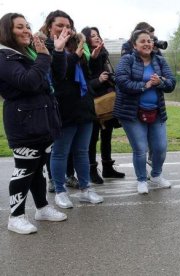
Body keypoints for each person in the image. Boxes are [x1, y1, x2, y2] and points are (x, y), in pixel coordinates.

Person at [0, 13, 70, 234]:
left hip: (44, 119)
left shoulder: (28, 53)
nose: (27, 30)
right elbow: (28, 82)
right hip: (23, 121)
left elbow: (57, 77)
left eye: (27, 26)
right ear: (6, 31)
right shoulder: (4, 56)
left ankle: (42, 208)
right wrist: (42, 56)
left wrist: (57, 51)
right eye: (19, 27)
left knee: (38, 169)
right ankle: (16, 216)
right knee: (24, 170)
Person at [40, 10, 104, 208]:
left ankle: (86, 189)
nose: (65, 29)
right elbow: (58, 77)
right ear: (50, 26)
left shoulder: (76, 45)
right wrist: (75, 57)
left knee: (82, 151)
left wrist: (93, 58)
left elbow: (88, 77)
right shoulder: (45, 48)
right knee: (60, 152)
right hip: (62, 109)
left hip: (83, 107)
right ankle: (60, 190)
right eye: (60, 25)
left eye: (68, 26)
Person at [114, 29, 176, 195]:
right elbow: (120, 81)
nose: (147, 44)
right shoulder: (127, 60)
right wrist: (144, 85)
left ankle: (156, 175)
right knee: (140, 149)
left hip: (156, 112)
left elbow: (171, 83)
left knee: (160, 148)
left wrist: (160, 81)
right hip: (132, 113)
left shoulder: (160, 61)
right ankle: (142, 179)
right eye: (143, 41)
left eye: (149, 41)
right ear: (134, 45)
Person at [81, 26, 125, 184]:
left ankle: (107, 168)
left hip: (107, 101)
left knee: (107, 136)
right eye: (92, 36)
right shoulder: (83, 56)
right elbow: (84, 82)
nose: (96, 37)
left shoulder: (104, 53)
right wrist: (98, 79)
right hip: (93, 103)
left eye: (97, 34)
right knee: (92, 139)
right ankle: (92, 170)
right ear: (86, 39)